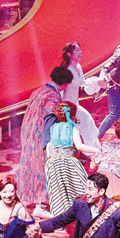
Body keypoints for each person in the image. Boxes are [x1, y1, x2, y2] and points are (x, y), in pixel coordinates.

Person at [17, 66, 73, 218]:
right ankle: (40, 206)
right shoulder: (53, 96)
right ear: (64, 83)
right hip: (39, 136)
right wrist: (48, 142)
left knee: (31, 166)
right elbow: (49, 117)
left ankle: (32, 199)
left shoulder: (40, 90)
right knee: (44, 169)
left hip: (28, 132)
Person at [45, 102, 100, 217]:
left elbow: (49, 148)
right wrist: (96, 150)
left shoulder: (53, 127)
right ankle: (86, 215)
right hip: (68, 163)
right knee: (82, 189)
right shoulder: (72, 127)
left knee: (59, 193)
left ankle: (61, 219)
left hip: (52, 164)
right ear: (73, 114)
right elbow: (79, 146)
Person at [59, 42, 100, 148]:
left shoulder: (78, 67)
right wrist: (62, 111)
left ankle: (91, 151)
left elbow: (82, 83)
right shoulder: (66, 71)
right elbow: (60, 91)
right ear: (69, 54)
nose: (80, 52)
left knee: (88, 122)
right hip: (67, 108)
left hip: (75, 105)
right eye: (77, 50)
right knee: (71, 134)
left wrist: (97, 82)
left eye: (80, 50)